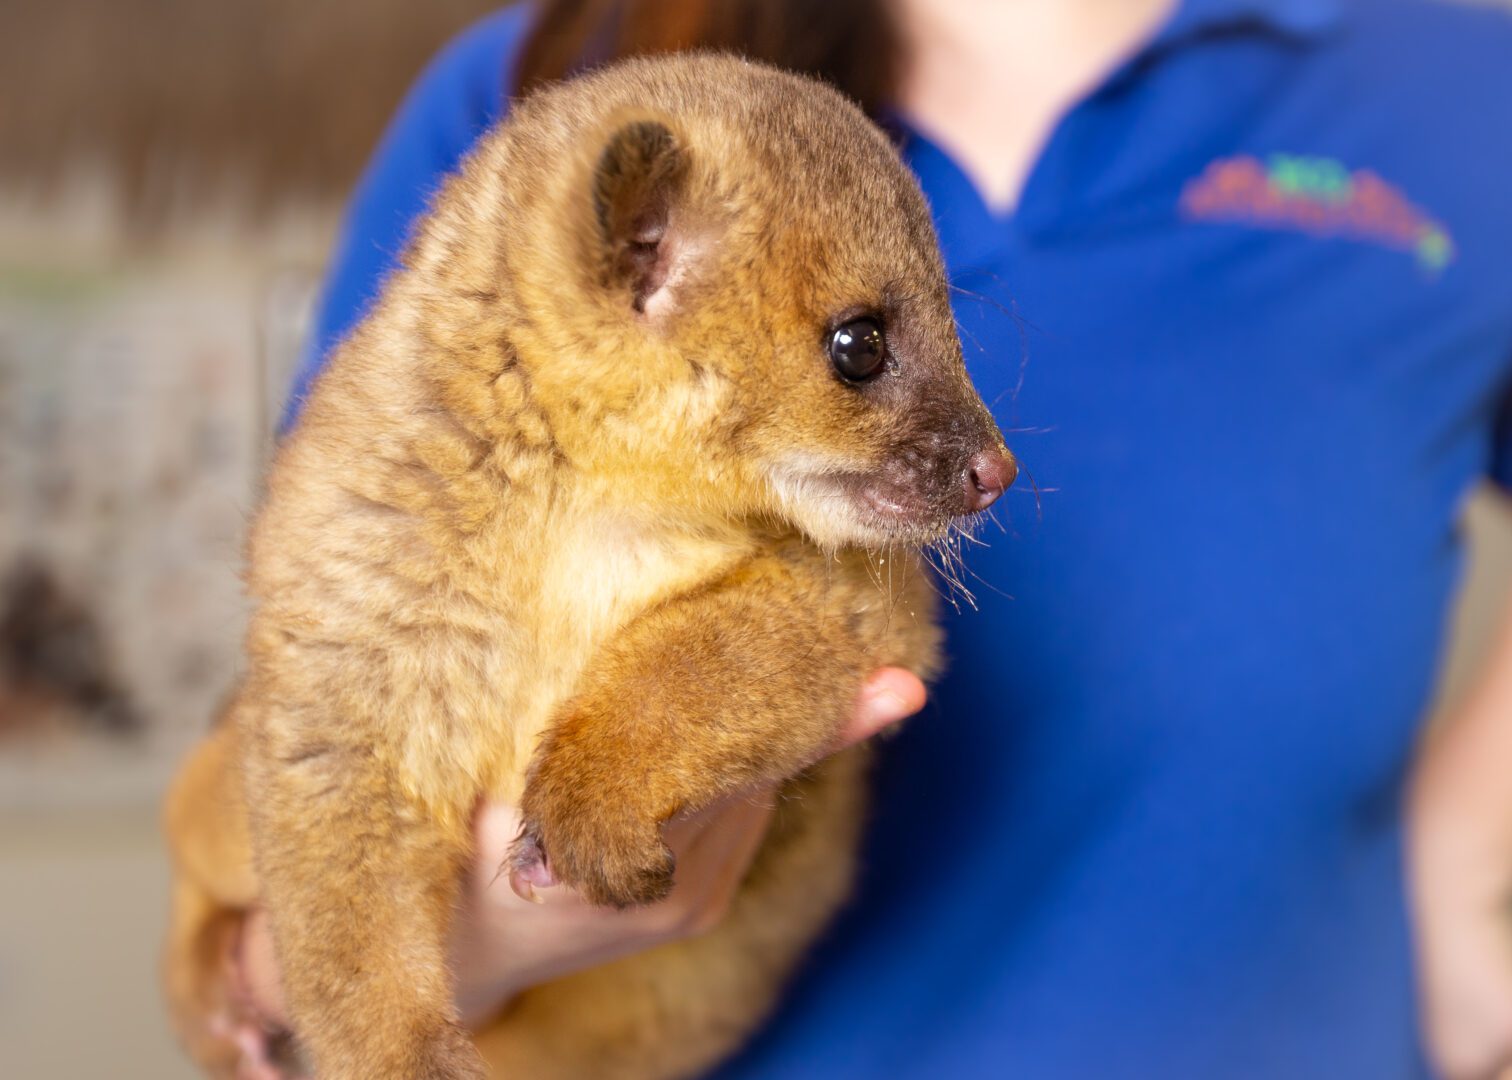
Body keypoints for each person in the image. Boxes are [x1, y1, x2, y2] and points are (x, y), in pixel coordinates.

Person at [229, 0, 1512, 1076]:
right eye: (857, 352)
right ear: (641, 258)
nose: (998, 462)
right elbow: (297, 796)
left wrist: (1461, 873)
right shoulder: (549, 85)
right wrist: (459, 955)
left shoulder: (1449, 85)